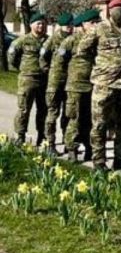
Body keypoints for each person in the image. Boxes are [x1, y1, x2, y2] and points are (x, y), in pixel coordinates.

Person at [78, 0, 121, 172]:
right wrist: (101, 68)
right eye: (118, 9)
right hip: (104, 84)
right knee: (100, 124)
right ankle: (99, 161)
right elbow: (82, 50)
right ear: (110, 11)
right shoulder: (99, 29)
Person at [62, 10, 100, 162]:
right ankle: (72, 148)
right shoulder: (72, 41)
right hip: (76, 86)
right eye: (92, 23)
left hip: (93, 85)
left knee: (90, 119)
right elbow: (60, 62)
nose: (95, 25)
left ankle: (89, 148)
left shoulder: (98, 39)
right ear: (84, 24)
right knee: (75, 118)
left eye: (97, 22)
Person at [7, 12, 49, 146]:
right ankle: (20, 135)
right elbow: (12, 56)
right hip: (28, 79)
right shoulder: (22, 40)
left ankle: (42, 136)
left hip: (44, 80)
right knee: (24, 109)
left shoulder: (48, 41)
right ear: (32, 25)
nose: (41, 26)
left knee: (43, 110)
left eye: (43, 23)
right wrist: (22, 68)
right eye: (38, 24)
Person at [41, 12, 74, 151]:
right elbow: (43, 57)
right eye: (67, 26)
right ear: (61, 26)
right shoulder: (52, 40)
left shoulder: (73, 39)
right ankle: (50, 143)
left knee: (68, 113)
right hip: (55, 81)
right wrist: (49, 72)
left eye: (71, 25)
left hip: (69, 81)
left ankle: (67, 142)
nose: (69, 28)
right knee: (53, 113)